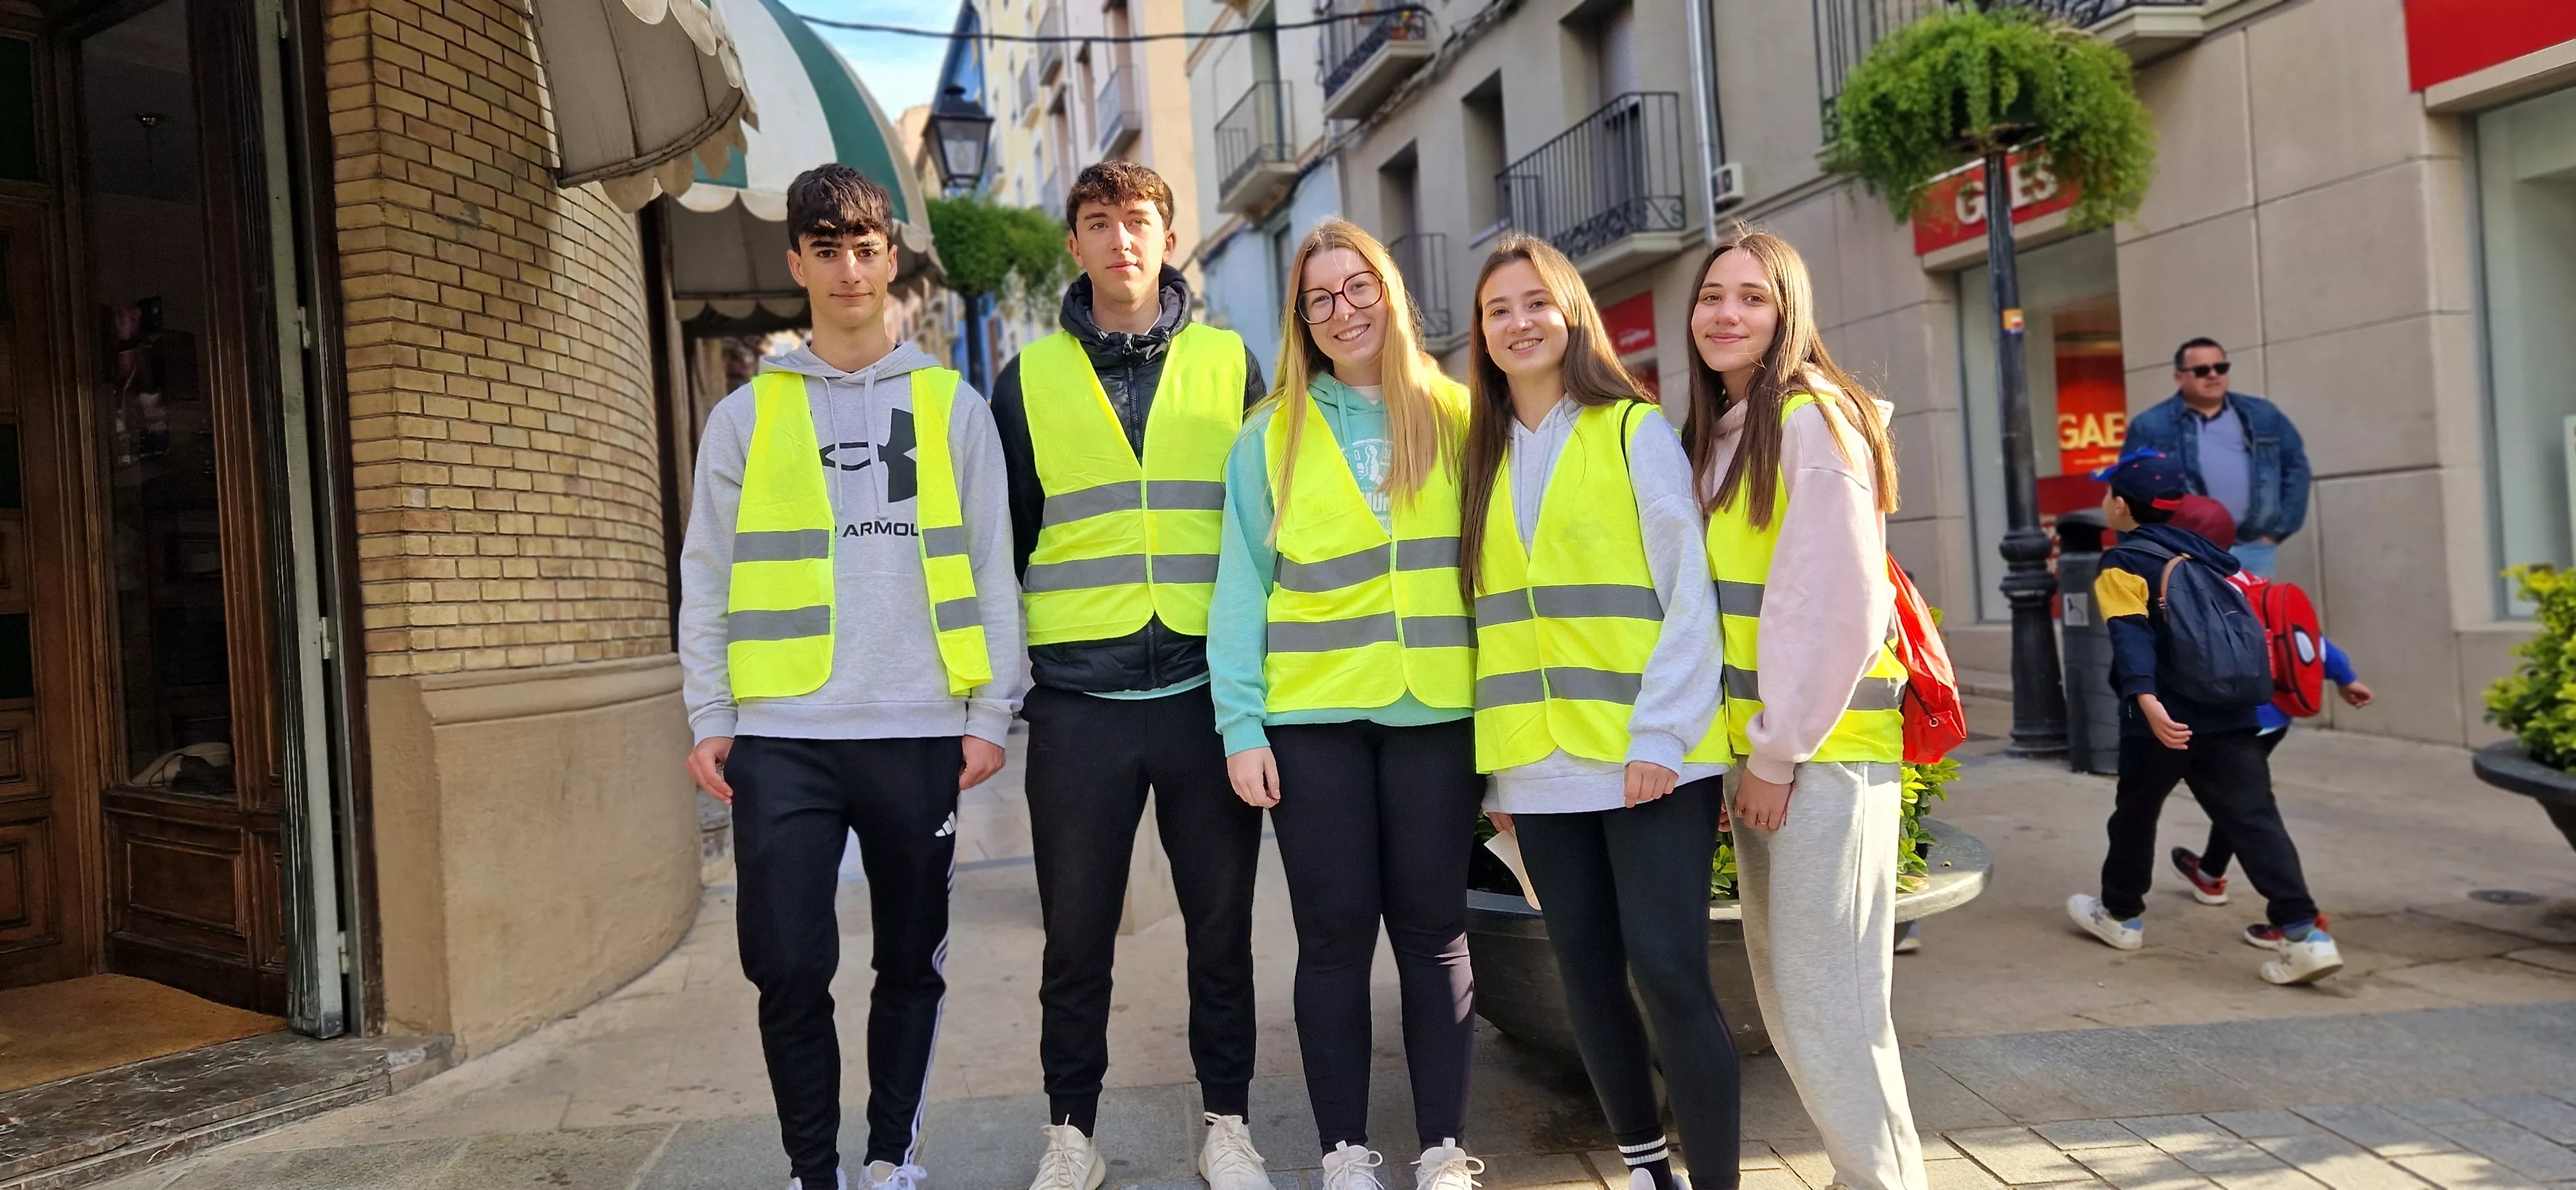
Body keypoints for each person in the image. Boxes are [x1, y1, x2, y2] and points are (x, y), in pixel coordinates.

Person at [678, 165, 1025, 1190]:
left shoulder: (951, 405)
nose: (847, 267)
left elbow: (994, 565)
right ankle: (811, 1171)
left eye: (865, 246)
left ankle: (888, 1161)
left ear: (890, 260)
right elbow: (706, 575)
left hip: (919, 726)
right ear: (797, 262)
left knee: (909, 965)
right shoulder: (744, 418)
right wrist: (710, 709)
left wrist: (990, 712)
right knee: (786, 966)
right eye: (825, 248)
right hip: (782, 734)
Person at [985, 160, 1272, 1190]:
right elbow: (1003, 547)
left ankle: (1228, 1125)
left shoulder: (1236, 366)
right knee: (1075, 942)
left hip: (1205, 698)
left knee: (1222, 934)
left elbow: (1269, 529)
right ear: (1075, 245)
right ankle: (1073, 1132)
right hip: (1078, 709)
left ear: (1168, 235)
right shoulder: (1025, 381)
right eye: (1098, 224)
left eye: (1138, 221)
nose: (1120, 241)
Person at [1209, 218, 1484, 1190]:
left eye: (1357, 287)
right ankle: (1343, 1154)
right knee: (1331, 938)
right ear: (1301, 320)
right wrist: (1241, 726)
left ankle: (1445, 1151)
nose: (1343, 311)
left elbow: (1496, 578)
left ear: (1391, 292)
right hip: (1314, 721)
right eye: (1319, 298)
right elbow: (1240, 588)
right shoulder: (1268, 436)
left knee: (1435, 931)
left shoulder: (1458, 416)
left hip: (1438, 716)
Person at [1469, 234, 1737, 1190]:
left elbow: (1687, 592)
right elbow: (1488, 627)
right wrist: (1497, 774)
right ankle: (1645, 1168)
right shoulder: (1481, 457)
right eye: (1499, 310)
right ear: (1483, 333)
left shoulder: (1633, 429)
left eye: (1536, 303)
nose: (1519, 323)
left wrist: (1662, 734)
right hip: (1537, 764)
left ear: (1572, 313)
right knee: (1583, 975)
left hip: (1646, 753)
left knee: (1669, 971)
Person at [1681, 229, 1924, 1190]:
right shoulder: (1738, 425)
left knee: (1831, 1005)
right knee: (1799, 1000)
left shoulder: (1812, 419)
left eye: (1753, 298)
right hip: (1776, 756)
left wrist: (1778, 755)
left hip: (1821, 756)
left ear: (1791, 315)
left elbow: (1838, 604)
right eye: (1712, 296)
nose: (1727, 314)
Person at [2066, 454, 2344, 985]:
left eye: (2109, 496)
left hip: (2164, 717)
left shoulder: (2123, 563)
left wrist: (2146, 700)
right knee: (2255, 819)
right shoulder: (2219, 560)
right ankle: (2305, 934)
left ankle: (2121, 914)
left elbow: (2131, 635)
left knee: (2135, 814)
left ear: (2121, 506)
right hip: (2232, 710)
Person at [2159, 496, 2373, 908]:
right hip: (2275, 717)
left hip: (2229, 722)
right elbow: (2302, 638)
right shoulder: (2252, 583)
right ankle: (2209, 875)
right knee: (2243, 798)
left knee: (2243, 808)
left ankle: (2291, 917)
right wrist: (2346, 678)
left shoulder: (2187, 591)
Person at [2118, 338, 2310, 578]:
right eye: (2201, 370)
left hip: (2253, 549)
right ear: (2179, 377)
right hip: (2185, 552)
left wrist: (2277, 531)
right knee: (2196, 616)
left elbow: (2296, 468)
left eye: (2220, 368)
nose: (2213, 375)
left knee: (2252, 615)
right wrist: (2139, 554)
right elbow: (2128, 490)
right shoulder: (2151, 425)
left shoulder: (2262, 415)